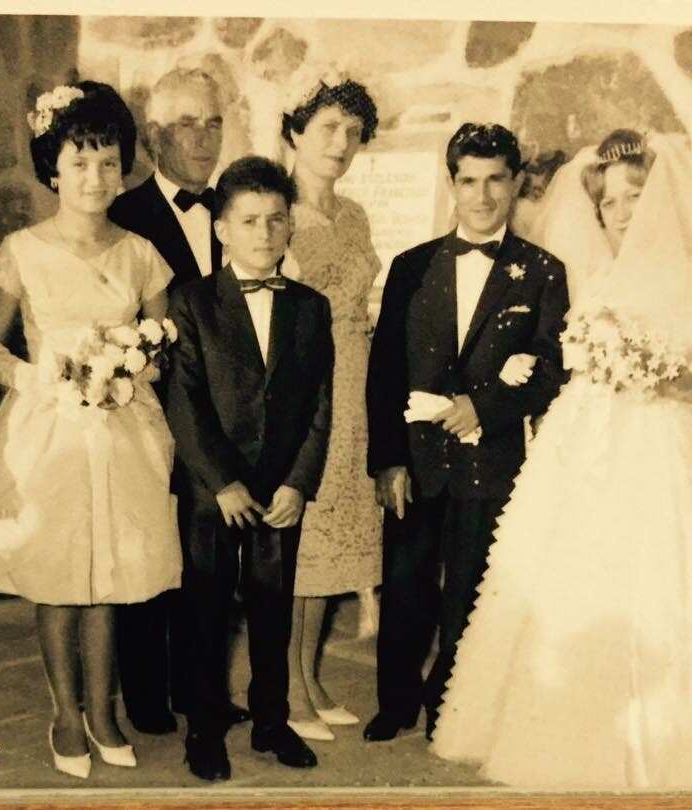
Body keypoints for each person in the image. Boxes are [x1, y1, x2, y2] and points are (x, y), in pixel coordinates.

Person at [432, 129, 692, 789]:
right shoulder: (588, 276)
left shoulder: (682, 275)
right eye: (610, 203)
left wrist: (661, 376)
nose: (623, 213)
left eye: (635, 196)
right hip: (587, 443)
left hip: (660, 442)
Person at [0, 81, 182, 780]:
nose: (96, 177)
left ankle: (104, 711)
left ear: (124, 169)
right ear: (53, 169)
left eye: (109, 162)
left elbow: (162, 344)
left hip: (123, 427)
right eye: (80, 162)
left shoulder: (142, 253)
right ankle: (66, 712)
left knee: (111, 575)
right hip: (50, 430)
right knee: (60, 577)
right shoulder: (22, 250)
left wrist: (128, 364)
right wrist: (41, 378)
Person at [363, 122, 570, 742]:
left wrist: (485, 407)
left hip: (493, 459)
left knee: (470, 588)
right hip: (417, 458)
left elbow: (551, 366)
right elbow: (385, 371)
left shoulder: (542, 271)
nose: (482, 196)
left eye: (495, 180)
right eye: (469, 181)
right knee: (406, 582)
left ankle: (448, 704)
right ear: (451, 184)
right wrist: (388, 462)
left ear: (516, 183)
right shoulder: (412, 266)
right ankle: (395, 702)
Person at [165, 156, 333, 782]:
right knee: (206, 610)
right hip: (215, 490)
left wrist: (299, 482)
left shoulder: (311, 307)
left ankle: (271, 721)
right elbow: (184, 399)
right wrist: (221, 481)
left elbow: (321, 404)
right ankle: (204, 730)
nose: (264, 233)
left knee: (272, 608)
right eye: (249, 221)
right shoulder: (192, 302)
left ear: (290, 226)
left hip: (279, 486)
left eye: (276, 220)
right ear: (222, 230)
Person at [110, 68, 250, 735]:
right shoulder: (123, 217)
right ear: (154, 136)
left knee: (211, 567)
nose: (203, 137)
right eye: (187, 124)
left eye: (213, 122)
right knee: (149, 557)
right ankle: (146, 698)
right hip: (149, 417)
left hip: (223, 424)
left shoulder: (236, 210)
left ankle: (203, 691)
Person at [279, 66, 383, 741]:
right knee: (303, 539)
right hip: (308, 383)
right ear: (294, 131)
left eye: (353, 130)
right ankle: (288, 688)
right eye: (327, 127)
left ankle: (310, 676)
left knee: (330, 544)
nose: (341, 142)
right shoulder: (278, 212)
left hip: (357, 384)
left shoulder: (354, 214)